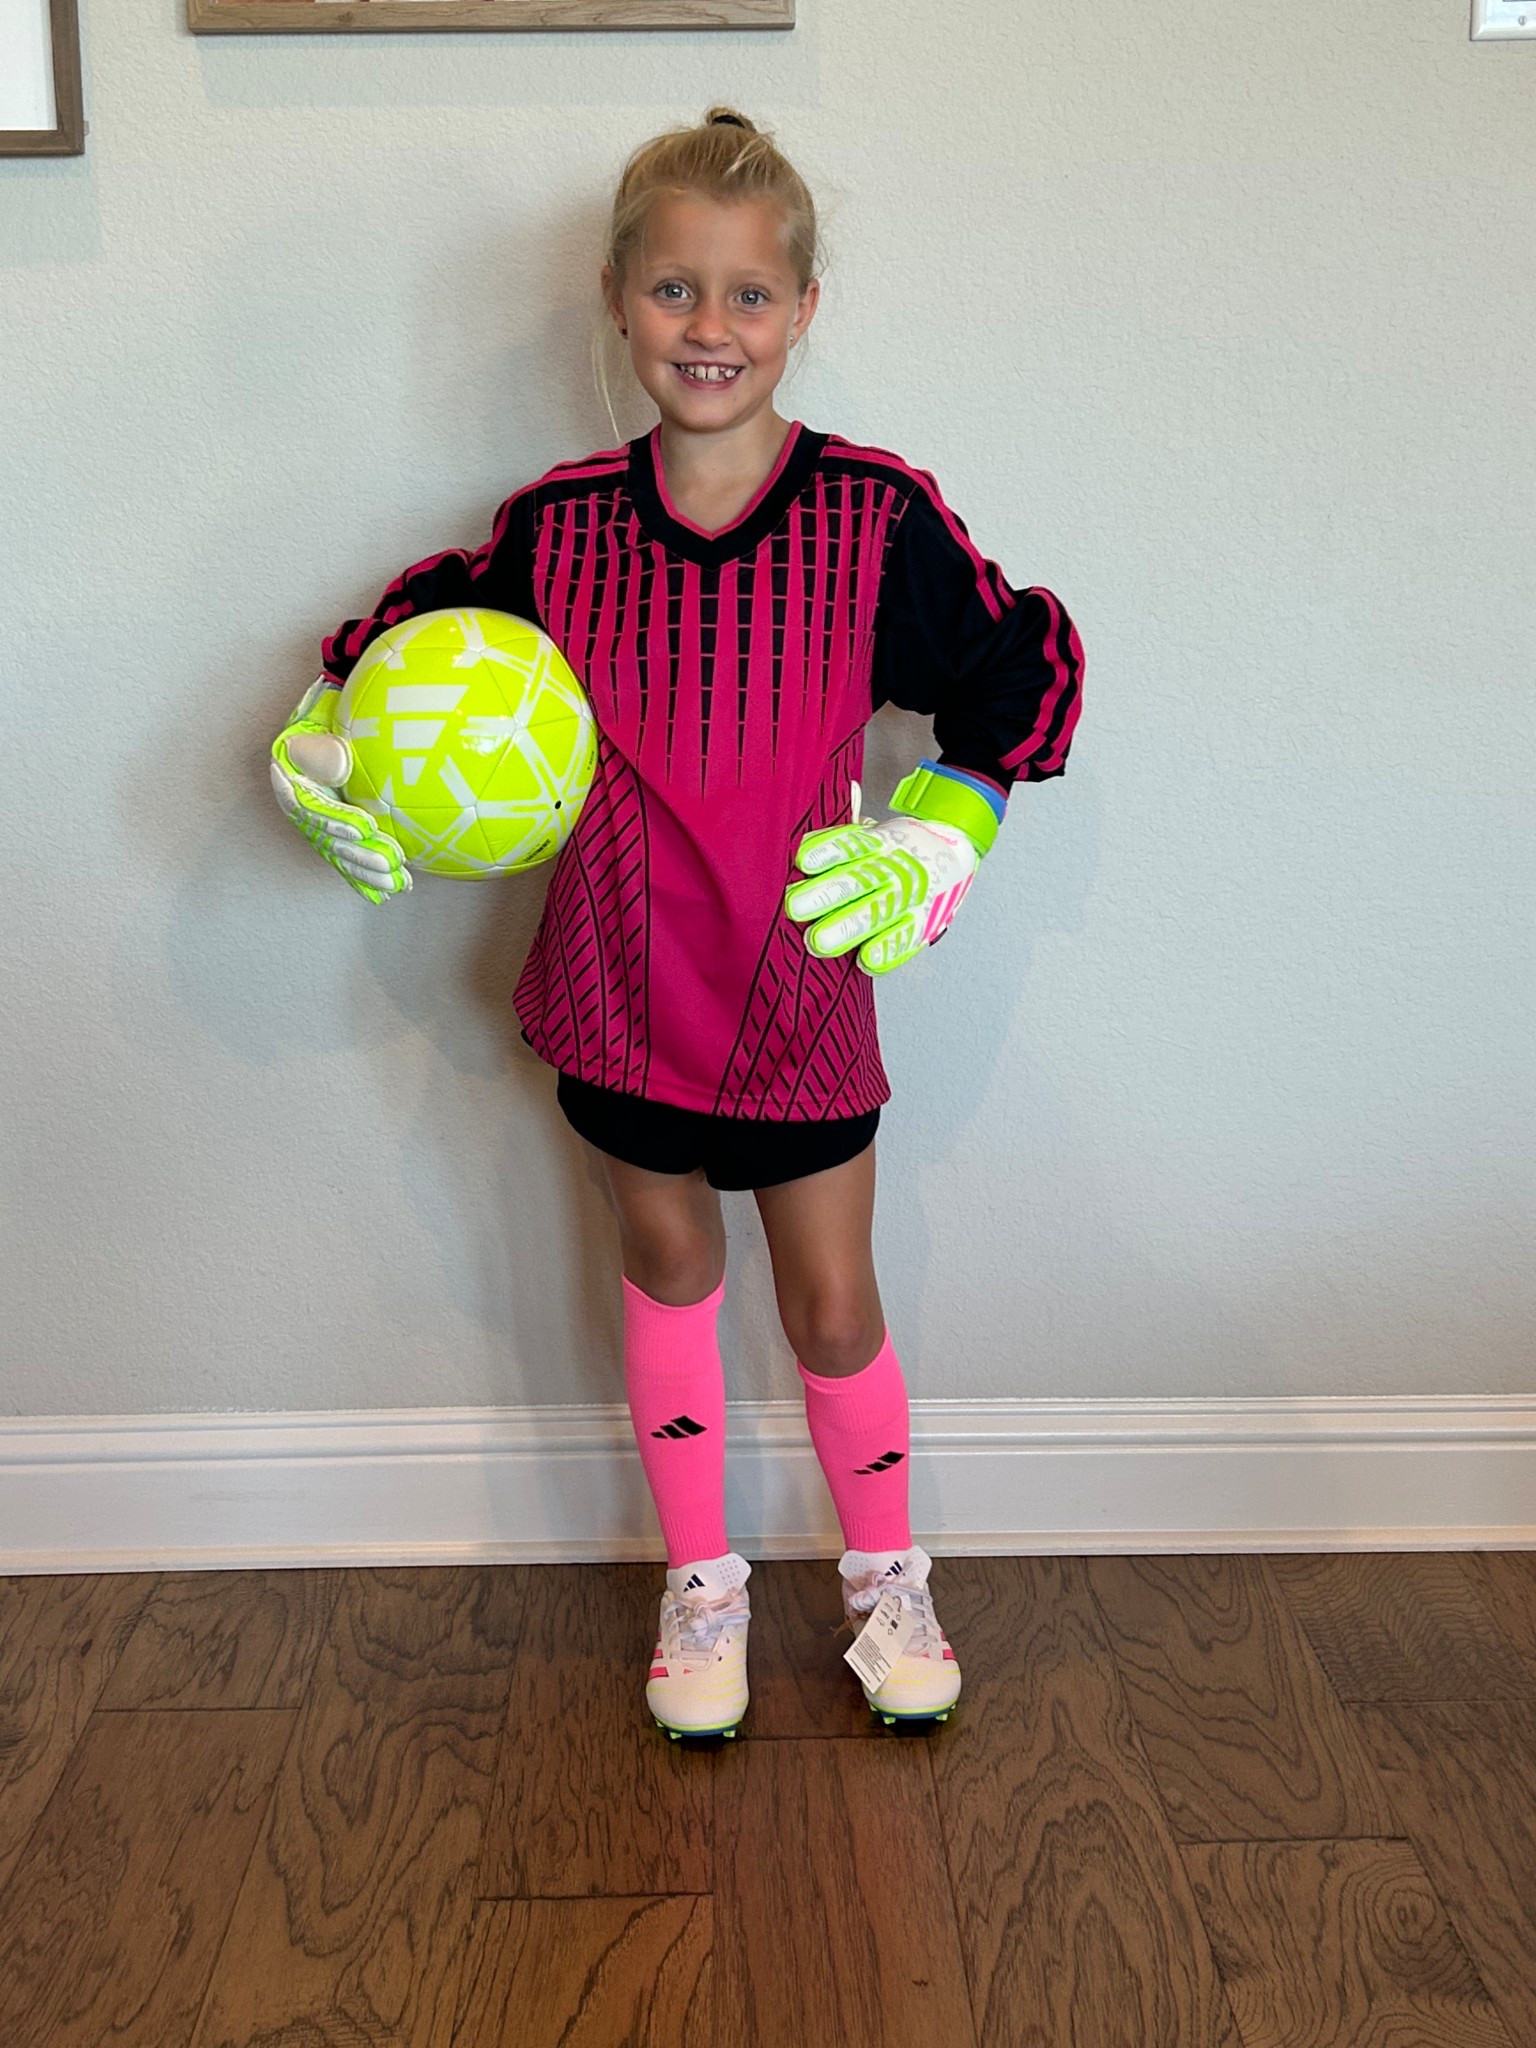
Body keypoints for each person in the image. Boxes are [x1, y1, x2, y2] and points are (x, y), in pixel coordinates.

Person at [271, 108, 1083, 1740]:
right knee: (663, 1263)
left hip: (796, 992)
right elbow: (389, 647)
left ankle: (883, 1581)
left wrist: (947, 827)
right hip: (616, 987)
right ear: (615, 299)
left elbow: (1026, 665)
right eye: (672, 291)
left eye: (749, 296)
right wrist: (320, 740)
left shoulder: (874, 515)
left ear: (804, 310)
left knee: (834, 1304)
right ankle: (699, 1584)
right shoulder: (556, 526)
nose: (709, 329)